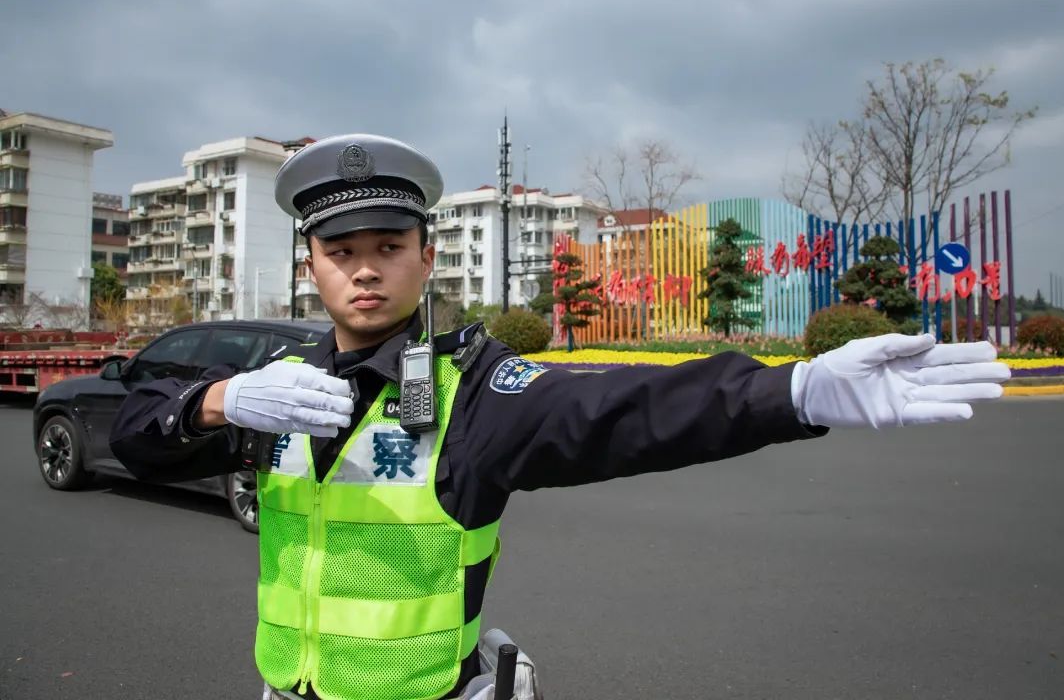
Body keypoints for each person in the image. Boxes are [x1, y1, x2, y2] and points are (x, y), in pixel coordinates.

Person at [109, 133, 1010, 700]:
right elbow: (134, 439)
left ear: (429, 260)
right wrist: (216, 400)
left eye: (389, 247)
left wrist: (794, 390)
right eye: (342, 252)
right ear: (312, 266)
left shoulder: (469, 391)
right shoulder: (276, 386)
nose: (367, 270)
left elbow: (619, 408)